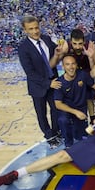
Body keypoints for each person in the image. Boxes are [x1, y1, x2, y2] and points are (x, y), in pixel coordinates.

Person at [18, 15, 67, 149]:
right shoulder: (23, 48)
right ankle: (49, 136)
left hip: (54, 81)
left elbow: (55, 53)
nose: (35, 31)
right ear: (25, 30)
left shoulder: (46, 39)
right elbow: (30, 73)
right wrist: (47, 83)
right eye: (31, 29)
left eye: (36, 28)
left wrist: (59, 50)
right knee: (42, 113)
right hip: (39, 87)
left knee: (56, 109)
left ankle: (57, 132)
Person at [54, 55, 95, 148]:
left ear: (76, 65)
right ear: (63, 67)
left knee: (81, 137)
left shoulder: (83, 75)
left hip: (81, 109)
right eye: (67, 64)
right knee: (63, 120)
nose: (71, 67)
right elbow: (58, 104)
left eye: (73, 64)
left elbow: (94, 86)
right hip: (67, 111)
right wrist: (75, 112)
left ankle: (77, 131)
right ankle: (68, 144)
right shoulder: (59, 83)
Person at [66, 28, 95, 123]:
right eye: (75, 44)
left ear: (84, 41)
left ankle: (92, 118)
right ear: (71, 41)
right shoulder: (66, 48)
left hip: (87, 74)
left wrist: (91, 57)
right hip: (73, 74)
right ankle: (76, 118)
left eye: (80, 43)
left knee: (89, 97)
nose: (77, 46)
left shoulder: (90, 47)